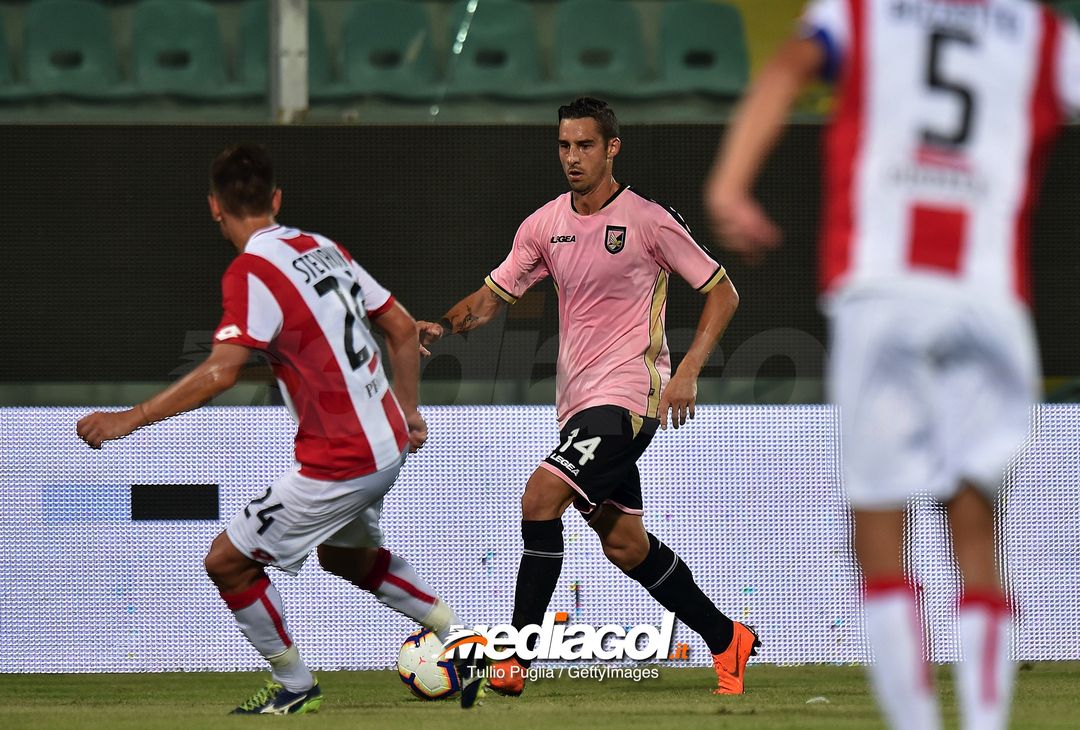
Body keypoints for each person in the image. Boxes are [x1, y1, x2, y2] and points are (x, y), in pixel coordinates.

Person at [705, 1, 1080, 728]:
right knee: (975, 529)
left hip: (881, 288)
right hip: (990, 295)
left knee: (879, 529)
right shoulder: (1040, 30)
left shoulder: (863, 12)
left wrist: (729, 184)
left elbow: (786, 68)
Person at [76, 143, 484, 714]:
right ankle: (465, 641)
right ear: (276, 199)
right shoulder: (321, 247)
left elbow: (221, 371)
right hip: (386, 443)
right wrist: (408, 410)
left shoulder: (251, 272)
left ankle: (295, 687)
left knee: (226, 560)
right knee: (346, 558)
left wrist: (132, 418)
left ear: (215, 207)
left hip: (342, 459)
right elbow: (398, 327)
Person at [419, 97, 758, 696]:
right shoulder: (544, 224)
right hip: (579, 404)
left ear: (611, 149)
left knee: (540, 495)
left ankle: (514, 659)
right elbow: (490, 297)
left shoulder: (649, 221)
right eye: (564, 146)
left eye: (584, 146)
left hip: (630, 397)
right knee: (625, 544)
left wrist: (688, 372)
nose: (572, 158)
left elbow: (722, 291)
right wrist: (442, 327)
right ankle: (727, 638)